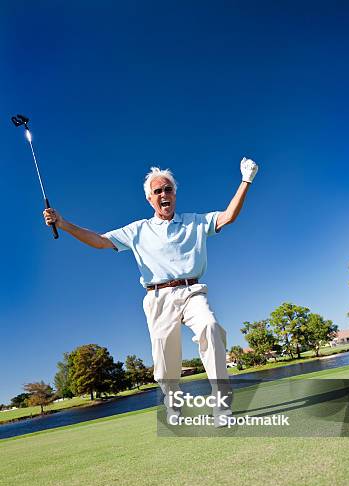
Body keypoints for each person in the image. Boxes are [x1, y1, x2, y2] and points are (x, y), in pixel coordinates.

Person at [43, 157, 259, 426]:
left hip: (192, 291)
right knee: (165, 358)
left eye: (168, 189)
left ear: (175, 194)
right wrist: (63, 223)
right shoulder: (137, 230)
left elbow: (228, 217)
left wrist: (245, 181)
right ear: (149, 199)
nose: (163, 194)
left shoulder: (195, 222)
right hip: (157, 298)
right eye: (157, 191)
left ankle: (222, 406)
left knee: (211, 327)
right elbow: (99, 241)